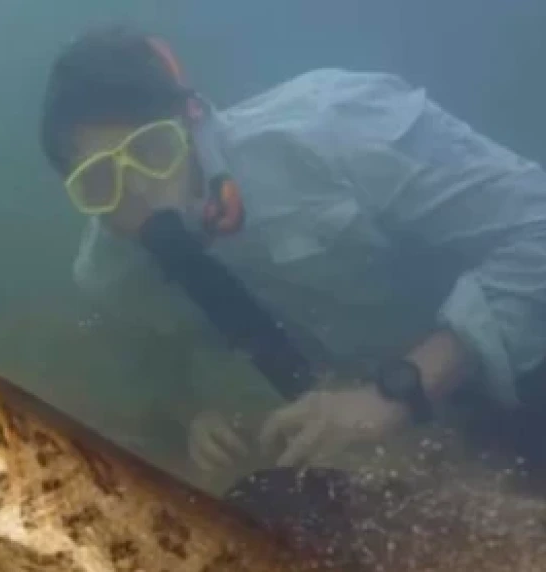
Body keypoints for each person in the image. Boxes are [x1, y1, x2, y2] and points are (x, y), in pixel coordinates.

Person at [37, 24, 546, 489]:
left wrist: (394, 395)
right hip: (438, 437)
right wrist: (197, 417)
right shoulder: (110, 276)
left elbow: (536, 229)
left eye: (152, 152)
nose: (139, 192)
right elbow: (160, 367)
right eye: (100, 180)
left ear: (192, 117)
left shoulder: (335, 127)